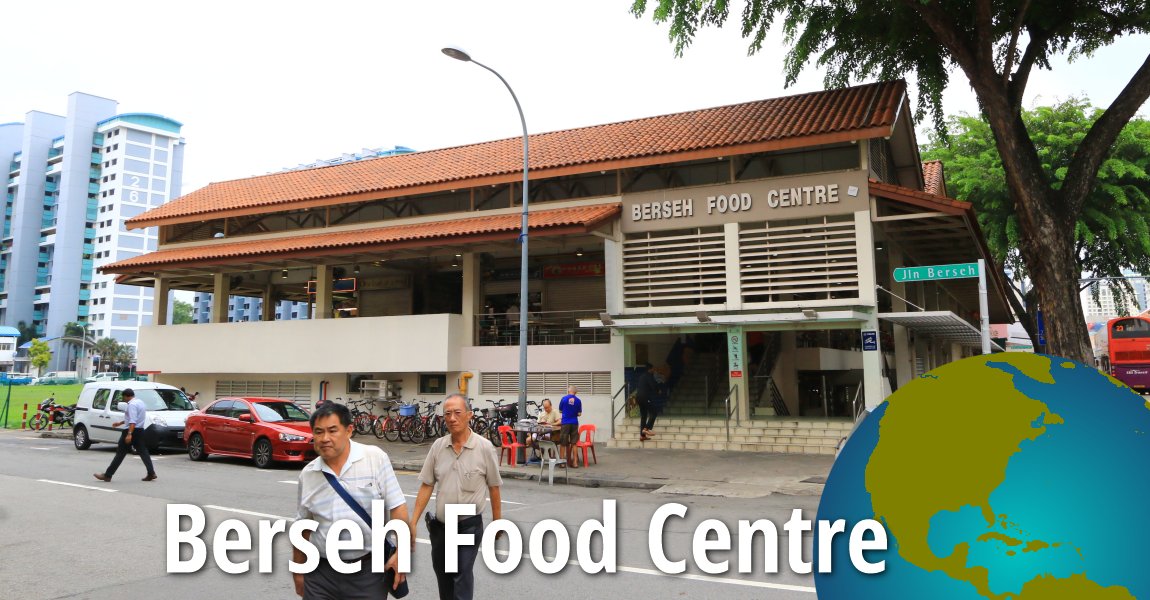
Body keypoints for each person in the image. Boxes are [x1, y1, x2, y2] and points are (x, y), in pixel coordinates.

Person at [293, 402, 409, 599]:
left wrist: (402, 553)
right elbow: (303, 525)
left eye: (332, 430)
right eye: (319, 432)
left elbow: (397, 507)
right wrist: (298, 571)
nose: (325, 438)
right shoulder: (308, 474)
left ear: (349, 431)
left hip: (368, 573)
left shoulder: (374, 458)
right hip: (320, 573)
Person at [410, 394, 502, 600]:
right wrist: (413, 522)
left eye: (457, 413)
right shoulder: (438, 446)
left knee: (461, 575)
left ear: (469, 415)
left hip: (468, 525)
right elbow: (427, 484)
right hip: (442, 528)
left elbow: (494, 487)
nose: (452, 418)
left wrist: (498, 523)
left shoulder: (484, 447)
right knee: (444, 578)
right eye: (447, 414)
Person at [93, 388, 157, 482]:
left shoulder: (131, 405)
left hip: (131, 430)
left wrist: (129, 434)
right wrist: (120, 423)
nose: (123, 400)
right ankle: (151, 473)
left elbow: (133, 421)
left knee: (120, 453)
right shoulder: (140, 402)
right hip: (140, 430)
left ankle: (108, 475)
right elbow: (133, 418)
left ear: (126, 396)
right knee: (143, 452)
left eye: (123, 397)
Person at [634, 364, 665, 441]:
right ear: (650, 369)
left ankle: (642, 436)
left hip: (638, 398)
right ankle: (646, 428)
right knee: (654, 412)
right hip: (645, 397)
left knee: (644, 416)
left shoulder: (642, 376)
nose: (654, 370)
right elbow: (653, 385)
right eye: (653, 369)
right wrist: (658, 391)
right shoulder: (649, 376)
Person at [558, 386, 582, 468]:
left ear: (568, 391)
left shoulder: (564, 399)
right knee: (574, 443)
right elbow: (579, 414)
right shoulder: (578, 401)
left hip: (565, 423)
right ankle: (575, 462)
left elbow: (560, 410)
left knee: (563, 443)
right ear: (576, 392)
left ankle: (562, 463)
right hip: (574, 423)